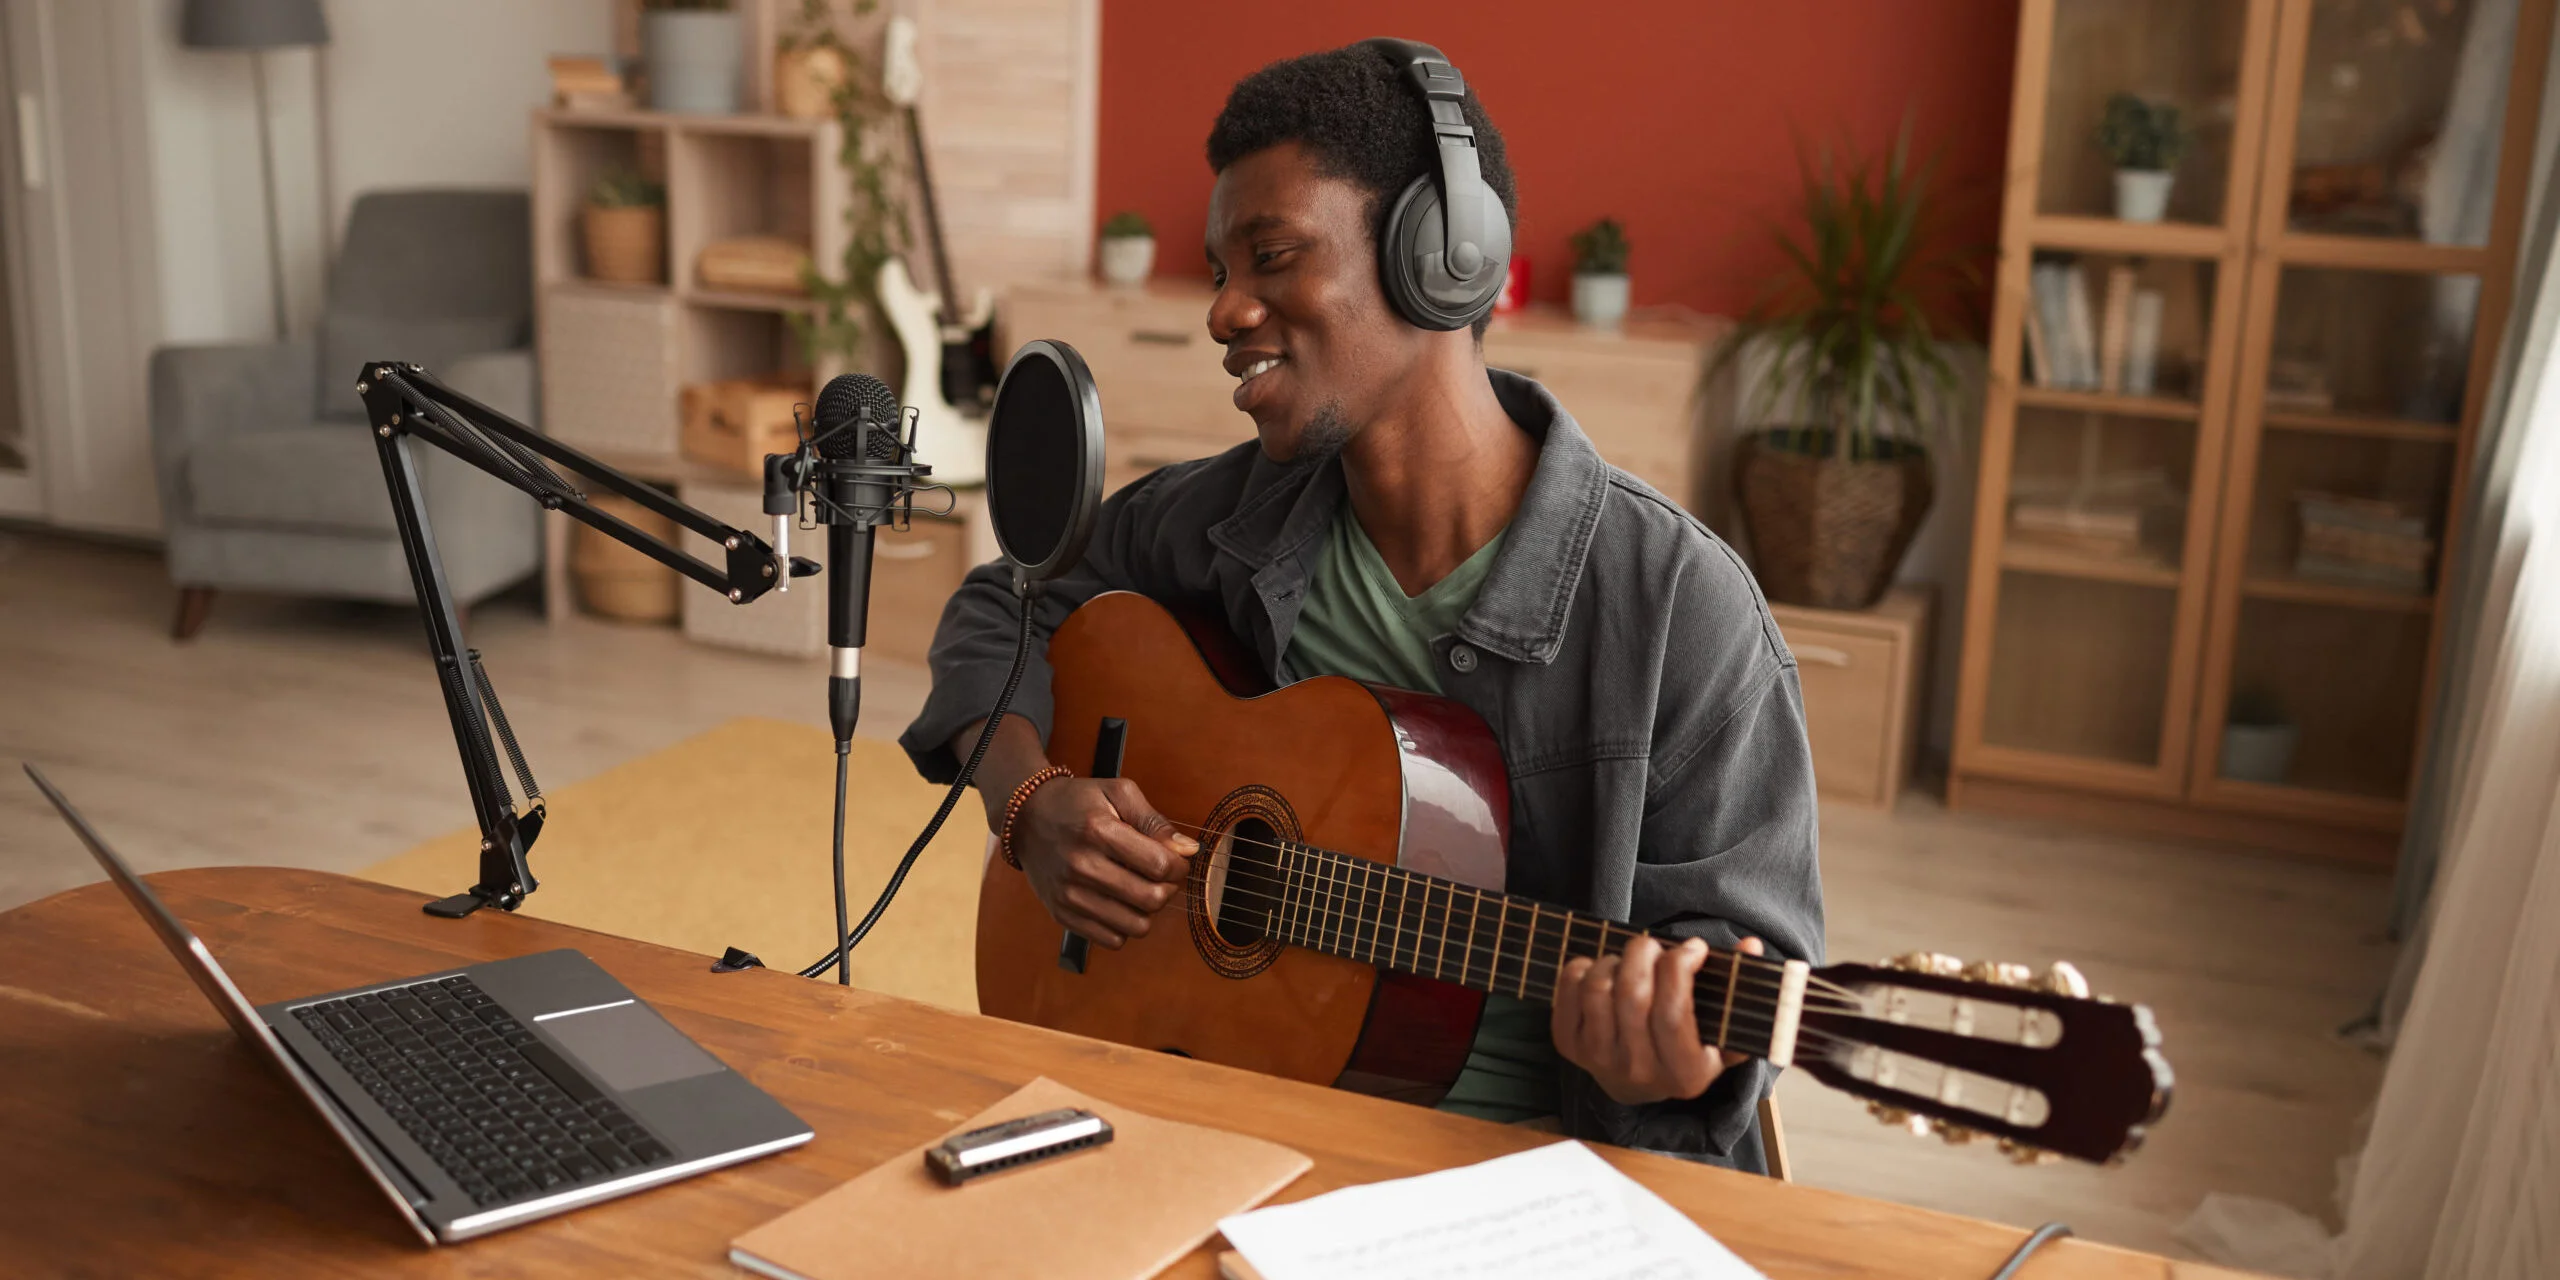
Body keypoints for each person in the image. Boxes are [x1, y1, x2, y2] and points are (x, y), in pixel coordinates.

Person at [900, 41, 1822, 1170]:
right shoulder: (1230, 513)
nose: (1223, 310)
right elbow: (1009, 602)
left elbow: (1743, 970)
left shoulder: (1682, 611)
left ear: (1442, 259)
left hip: (1522, 1176)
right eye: (1218, 268)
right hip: (1217, 1114)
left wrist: (1676, 1058)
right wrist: (1028, 798)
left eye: (1271, 256)